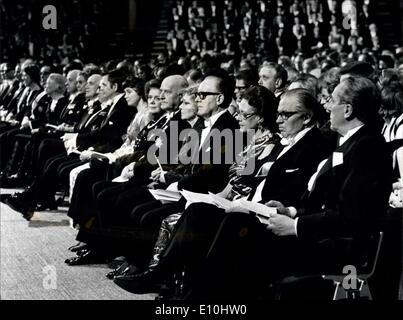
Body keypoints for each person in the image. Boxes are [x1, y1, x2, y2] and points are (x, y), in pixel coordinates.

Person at [185, 76, 393, 299]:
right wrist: (290, 211)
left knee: (240, 233)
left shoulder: (367, 146)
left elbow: (351, 216)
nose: (327, 106)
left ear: (348, 110)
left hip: (337, 247)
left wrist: (295, 225)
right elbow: (328, 202)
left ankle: (200, 300)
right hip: (320, 234)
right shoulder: (350, 142)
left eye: (332, 101)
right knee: (232, 223)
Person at [112, 88, 332, 296]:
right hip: (237, 200)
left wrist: (178, 183)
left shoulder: (304, 144)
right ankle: (159, 276)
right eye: (279, 114)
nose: (280, 119)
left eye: (286, 114)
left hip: (263, 212)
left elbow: (297, 192)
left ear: (306, 117)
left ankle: (181, 287)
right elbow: (221, 175)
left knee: (194, 215)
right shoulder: (271, 139)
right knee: (191, 209)